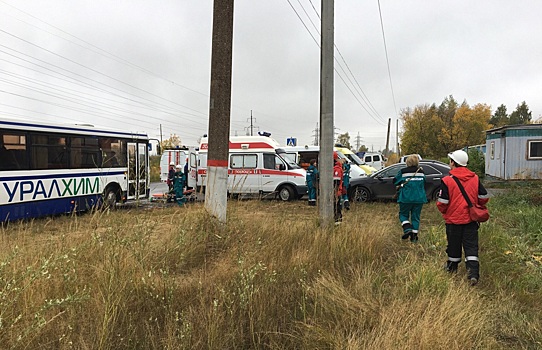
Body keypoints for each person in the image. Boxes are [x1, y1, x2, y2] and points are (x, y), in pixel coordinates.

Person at [437, 150, 489, 286]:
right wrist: (476, 204)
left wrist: (445, 212)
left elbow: (442, 203)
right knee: (471, 247)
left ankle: (451, 268)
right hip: (471, 220)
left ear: (454, 162)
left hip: (453, 221)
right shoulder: (475, 178)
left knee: (453, 245)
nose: (449, 163)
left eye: (450, 161)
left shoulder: (447, 180)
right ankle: (473, 274)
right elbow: (484, 197)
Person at [393, 154, 427, 242]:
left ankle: (407, 229)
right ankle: (414, 237)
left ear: (407, 162)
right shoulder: (421, 172)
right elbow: (424, 182)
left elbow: (395, 181)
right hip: (419, 198)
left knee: (403, 215)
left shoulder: (403, 172)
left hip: (406, 198)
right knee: (416, 217)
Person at [333, 152, 344, 224]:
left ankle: (337, 220)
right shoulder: (336, 168)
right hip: (337, 191)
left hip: (336, 191)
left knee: (336, 206)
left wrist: (335, 192)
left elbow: (336, 182)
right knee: (336, 205)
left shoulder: (336, 169)